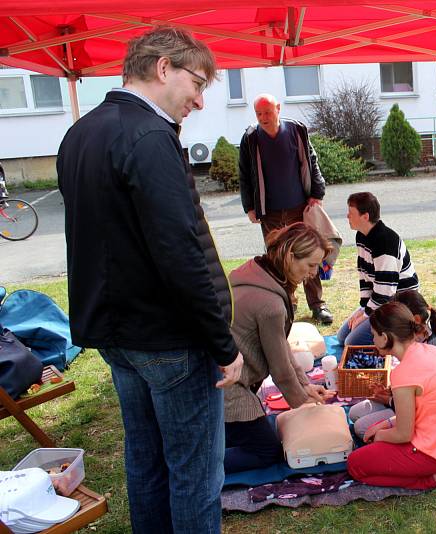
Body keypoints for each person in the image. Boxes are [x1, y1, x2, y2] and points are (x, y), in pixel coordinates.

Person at [56, 26, 244, 533]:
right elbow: (179, 252)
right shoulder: (151, 136)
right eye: (198, 84)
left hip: (117, 335)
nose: (200, 101)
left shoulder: (82, 131)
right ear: (164, 68)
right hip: (167, 338)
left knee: (146, 459)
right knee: (195, 473)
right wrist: (222, 343)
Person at [225, 222, 335, 474]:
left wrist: (305, 385)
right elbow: (279, 368)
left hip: (218, 379)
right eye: (310, 265)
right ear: (289, 256)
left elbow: (280, 345)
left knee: (234, 436)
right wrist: (302, 400)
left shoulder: (254, 271)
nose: (314, 273)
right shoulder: (271, 304)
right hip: (228, 389)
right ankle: (196, 467)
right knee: (267, 450)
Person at [346, 301, 436, 491]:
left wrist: (380, 436)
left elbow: (403, 434)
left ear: (385, 337)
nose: (373, 339)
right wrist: (387, 424)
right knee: (370, 436)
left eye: (374, 335)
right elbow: (427, 410)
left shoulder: (404, 373)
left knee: (355, 464)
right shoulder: (431, 351)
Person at [238, 93, 333, 324]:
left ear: (278, 109)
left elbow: (312, 161)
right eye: (259, 114)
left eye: (267, 112)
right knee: (278, 258)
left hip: (299, 208)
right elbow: (244, 174)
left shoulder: (296, 130)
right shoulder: (250, 138)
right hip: (269, 212)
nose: (263, 118)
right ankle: (286, 301)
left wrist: (317, 193)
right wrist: (249, 206)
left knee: (309, 255)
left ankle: (318, 305)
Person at [348, 289, 436, 439]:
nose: (372, 340)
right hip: (409, 405)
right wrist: (390, 393)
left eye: (374, 335)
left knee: (363, 428)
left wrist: (388, 405)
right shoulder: (413, 348)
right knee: (355, 413)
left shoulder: (425, 353)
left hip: (426, 418)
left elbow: (416, 414)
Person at [337, 192, 419, 346]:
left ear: (365, 216)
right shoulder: (362, 236)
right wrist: (363, 308)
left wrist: (366, 314)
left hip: (398, 303)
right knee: (342, 337)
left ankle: (395, 332)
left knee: (351, 342)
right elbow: (364, 276)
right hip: (381, 299)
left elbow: (386, 291)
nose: (347, 216)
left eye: (351, 213)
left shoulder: (385, 242)